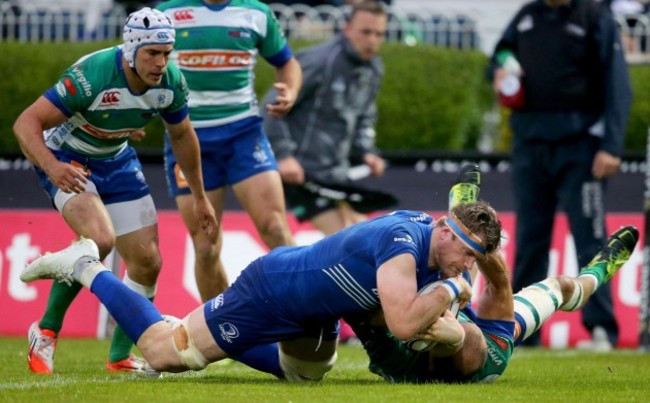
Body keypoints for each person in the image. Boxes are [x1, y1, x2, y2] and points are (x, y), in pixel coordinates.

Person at [19, 199, 503, 380]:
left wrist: (451, 287)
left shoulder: (431, 237)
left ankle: (195, 329)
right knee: (169, 355)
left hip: (315, 313)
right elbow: (401, 323)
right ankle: (83, 264)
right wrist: (455, 289)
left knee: (305, 376)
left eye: (474, 261)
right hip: (274, 289)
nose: (467, 266)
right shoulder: (403, 245)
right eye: (468, 255)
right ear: (444, 232)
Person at [13, 7, 218, 374]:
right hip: (68, 159)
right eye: (152, 54)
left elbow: (184, 136)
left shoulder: (170, 82)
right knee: (99, 241)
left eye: (167, 54)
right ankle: (45, 331)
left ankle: (120, 357)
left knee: (147, 261)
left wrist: (201, 197)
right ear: (131, 50)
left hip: (117, 160)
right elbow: (26, 122)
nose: (161, 63)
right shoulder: (93, 76)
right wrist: (52, 167)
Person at [488, 0, 633, 349]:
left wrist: (611, 146)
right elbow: (499, 54)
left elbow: (618, 86)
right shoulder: (528, 16)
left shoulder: (595, 17)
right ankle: (522, 330)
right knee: (531, 238)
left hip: (581, 146)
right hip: (530, 145)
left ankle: (601, 330)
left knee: (590, 237)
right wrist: (503, 66)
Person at [346, 224, 639, 383]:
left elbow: (358, 311)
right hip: (486, 343)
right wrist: (478, 238)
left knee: (374, 308)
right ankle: (598, 270)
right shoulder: (493, 349)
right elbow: (499, 282)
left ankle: (463, 220)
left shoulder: (397, 362)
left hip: (438, 342)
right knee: (561, 287)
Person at [155, 0, 303, 302]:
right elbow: (137, 68)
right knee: (206, 247)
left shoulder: (257, 13)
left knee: (275, 227)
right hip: (188, 139)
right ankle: (224, 333)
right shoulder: (168, 14)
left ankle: (304, 319)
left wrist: (290, 89)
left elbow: (287, 63)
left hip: (243, 134)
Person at [262, 0, 389, 236]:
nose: (372, 40)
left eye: (379, 34)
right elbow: (271, 106)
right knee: (352, 242)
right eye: (366, 32)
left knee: (367, 239)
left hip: (335, 176)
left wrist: (366, 151)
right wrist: (283, 155)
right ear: (347, 29)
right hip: (300, 176)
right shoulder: (320, 61)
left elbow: (364, 115)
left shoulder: (374, 68)